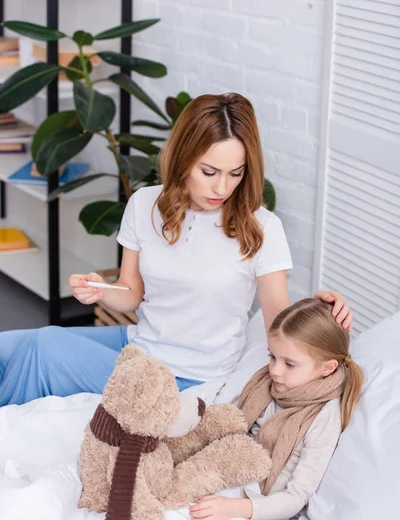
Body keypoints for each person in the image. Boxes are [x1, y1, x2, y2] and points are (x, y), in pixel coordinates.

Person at [0, 93, 352, 406]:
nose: (221, 186)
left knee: (45, 348)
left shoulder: (262, 227)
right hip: (138, 343)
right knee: (9, 347)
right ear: (184, 158)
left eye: (235, 173)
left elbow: (279, 321)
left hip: (184, 376)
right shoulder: (144, 204)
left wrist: (316, 314)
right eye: (209, 171)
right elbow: (131, 293)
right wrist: (100, 291)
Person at [189, 297, 363, 520]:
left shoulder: (322, 419)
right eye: (272, 357)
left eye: (289, 364)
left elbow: (295, 497)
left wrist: (232, 508)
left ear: (327, 368)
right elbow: (227, 423)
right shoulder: (266, 384)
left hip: (254, 508)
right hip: (223, 474)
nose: (275, 371)